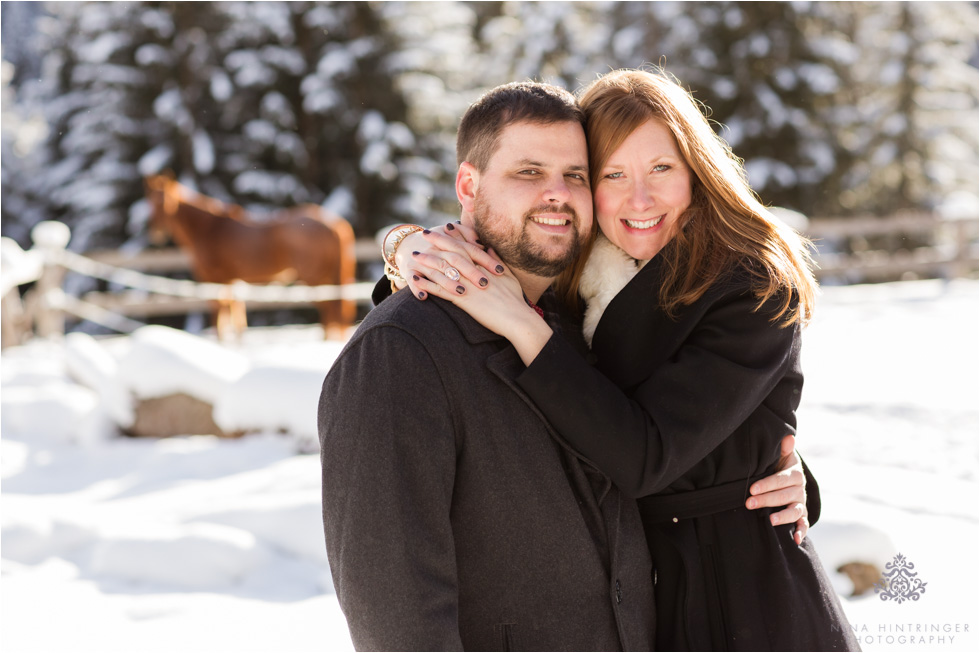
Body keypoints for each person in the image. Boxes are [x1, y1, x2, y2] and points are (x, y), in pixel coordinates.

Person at [320, 80, 810, 651]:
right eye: (529, 172)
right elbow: (397, 613)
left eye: (575, 175)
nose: (556, 194)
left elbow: (658, 425)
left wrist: (772, 468)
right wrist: (405, 247)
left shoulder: (573, 313)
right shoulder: (400, 353)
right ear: (468, 185)